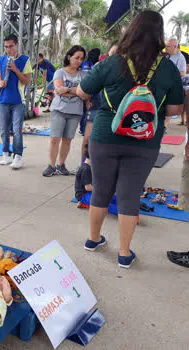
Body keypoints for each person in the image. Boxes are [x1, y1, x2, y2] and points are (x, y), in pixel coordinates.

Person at [77, 10, 184, 268]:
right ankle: (124, 253)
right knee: (130, 194)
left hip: (105, 135)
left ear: (131, 31)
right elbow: (174, 110)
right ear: (159, 35)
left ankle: (93, 239)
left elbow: (82, 90)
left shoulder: (112, 62)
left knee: (101, 189)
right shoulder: (168, 68)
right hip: (145, 140)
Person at [42, 45, 86, 177]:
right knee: (55, 138)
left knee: (67, 139)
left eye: (81, 58)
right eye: (76, 57)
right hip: (59, 110)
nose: (79, 61)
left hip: (75, 112)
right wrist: (76, 91)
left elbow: (84, 94)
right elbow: (59, 90)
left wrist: (67, 89)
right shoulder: (60, 72)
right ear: (69, 57)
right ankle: (51, 165)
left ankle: (61, 165)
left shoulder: (84, 75)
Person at [0, 34, 32, 169]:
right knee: (4, 130)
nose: (8, 49)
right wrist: (1, 82)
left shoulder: (25, 60)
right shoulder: (1, 59)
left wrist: (16, 70)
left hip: (18, 100)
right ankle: (5, 154)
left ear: (17, 45)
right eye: (6, 47)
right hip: (4, 99)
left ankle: (18, 156)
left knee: (17, 129)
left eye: (11, 46)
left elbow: (27, 81)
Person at [80, 43, 118, 164]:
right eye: (112, 54)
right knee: (87, 140)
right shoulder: (101, 67)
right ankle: (84, 167)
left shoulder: (131, 71)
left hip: (117, 111)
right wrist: (87, 99)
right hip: (97, 106)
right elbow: (85, 89)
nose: (115, 58)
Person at [79, 49, 101, 136]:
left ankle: (82, 129)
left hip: (82, 88)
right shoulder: (97, 64)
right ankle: (86, 130)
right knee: (91, 109)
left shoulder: (83, 63)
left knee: (84, 110)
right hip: (93, 90)